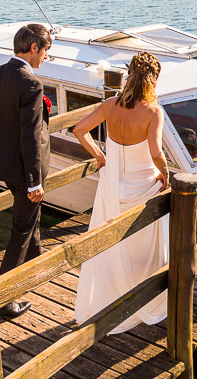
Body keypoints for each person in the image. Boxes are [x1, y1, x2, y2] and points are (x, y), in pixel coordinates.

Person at [72, 51, 169, 332]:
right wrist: (167, 175)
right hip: (144, 187)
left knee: (113, 245)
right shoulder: (153, 111)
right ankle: (143, 298)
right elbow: (156, 153)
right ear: (153, 80)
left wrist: (99, 155)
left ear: (129, 76)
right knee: (144, 248)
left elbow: (79, 130)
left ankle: (110, 298)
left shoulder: (109, 105)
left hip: (112, 185)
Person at [0, 23, 52, 320]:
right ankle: (3, 299)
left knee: (29, 220)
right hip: (26, 170)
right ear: (34, 48)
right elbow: (32, 135)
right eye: (46, 50)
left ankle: (34, 267)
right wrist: (34, 182)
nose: (46, 56)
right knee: (21, 229)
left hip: (4, 164)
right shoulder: (31, 84)